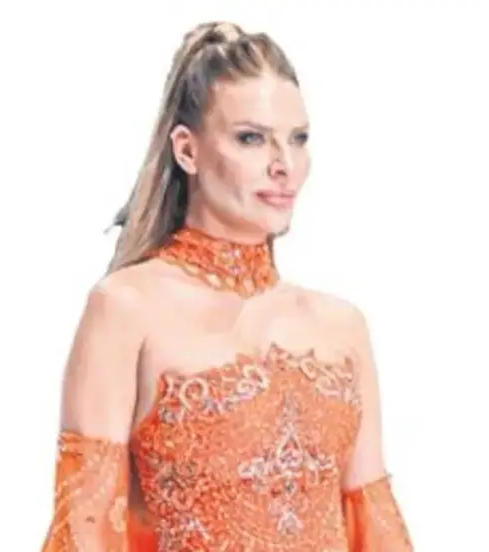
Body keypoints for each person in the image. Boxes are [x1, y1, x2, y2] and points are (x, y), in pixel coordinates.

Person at [40, 20, 412, 551]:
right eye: (251, 138)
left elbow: (377, 535)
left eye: (298, 139)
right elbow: (85, 533)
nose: (284, 165)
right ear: (187, 150)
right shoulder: (125, 309)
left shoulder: (341, 328)